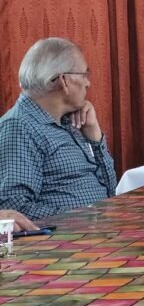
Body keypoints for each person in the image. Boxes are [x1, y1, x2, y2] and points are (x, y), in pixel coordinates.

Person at [0, 37, 117, 220]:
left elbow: (110, 190)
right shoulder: (19, 127)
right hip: (68, 235)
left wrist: (95, 138)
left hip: (102, 226)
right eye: (84, 74)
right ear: (64, 80)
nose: (88, 83)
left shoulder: (71, 121)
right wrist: (83, 217)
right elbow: (14, 208)